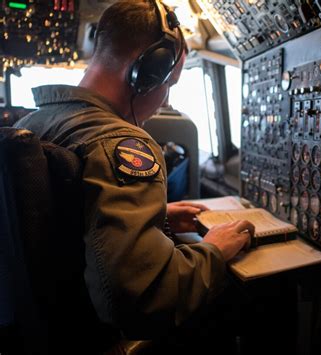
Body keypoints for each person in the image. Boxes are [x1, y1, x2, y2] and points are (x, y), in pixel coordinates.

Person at [13, 1, 270, 353]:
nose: (166, 98)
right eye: (169, 83)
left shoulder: (31, 124)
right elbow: (144, 300)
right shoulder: (119, 143)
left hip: (43, 331)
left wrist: (158, 215)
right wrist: (214, 250)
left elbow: (54, 223)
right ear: (145, 71)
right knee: (249, 298)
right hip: (92, 337)